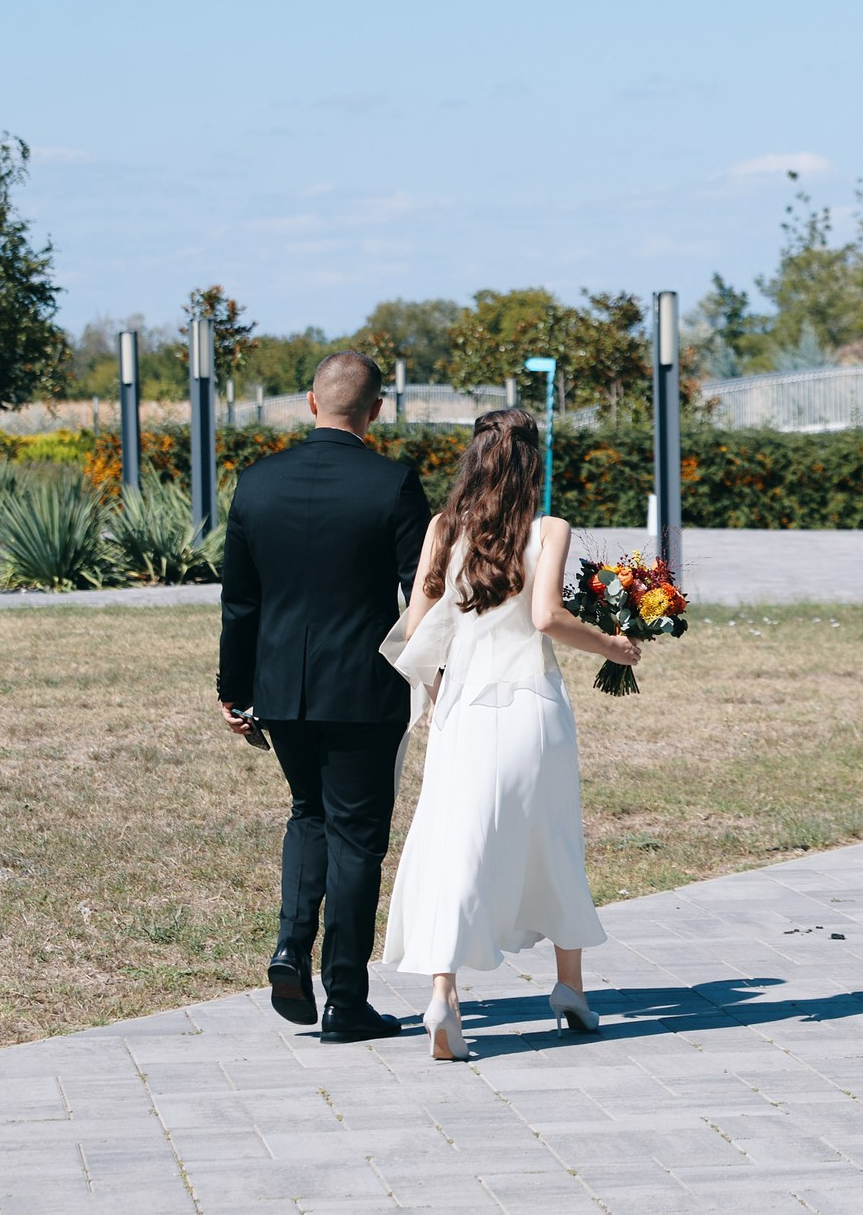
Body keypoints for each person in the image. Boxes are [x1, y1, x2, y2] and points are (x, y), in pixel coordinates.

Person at [380, 407, 641, 1060]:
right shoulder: (548, 529)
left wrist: (441, 692)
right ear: (533, 462)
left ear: (475, 459)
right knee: (552, 838)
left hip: (466, 710)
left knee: (457, 843)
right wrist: (613, 645)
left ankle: (444, 994)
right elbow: (547, 616)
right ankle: (570, 987)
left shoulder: (444, 529)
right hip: (532, 707)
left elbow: (415, 633)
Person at [217, 350, 430, 1043]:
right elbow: (420, 594)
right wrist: (433, 674)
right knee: (358, 839)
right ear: (375, 411)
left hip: (279, 686)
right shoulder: (394, 484)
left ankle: (288, 948)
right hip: (364, 687)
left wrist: (234, 688)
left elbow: (239, 604)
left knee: (307, 813)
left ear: (310, 403)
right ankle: (345, 998)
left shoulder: (256, 484)